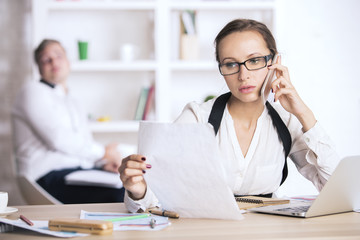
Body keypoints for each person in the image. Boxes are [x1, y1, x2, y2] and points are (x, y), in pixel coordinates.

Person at [119, 19, 340, 213]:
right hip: (205, 229)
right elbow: (153, 200)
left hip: (267, 231)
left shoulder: (288, 120)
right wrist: (138, 190)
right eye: (231, 64)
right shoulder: (197, 118)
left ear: (275, 62)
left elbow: (335, 191)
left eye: (254, 61)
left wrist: (304, 113)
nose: (243, 75)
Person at [12, 39, 125, 204]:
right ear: (39, 67)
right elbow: (58, 139)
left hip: (78, 171)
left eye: (58, 56)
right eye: (46, 59)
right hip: (46, 176)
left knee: (132, 185)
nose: (53, 62)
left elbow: (82, 144)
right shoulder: (32, 92)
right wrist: (104, 152)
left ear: (68, 61)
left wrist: (102, 163)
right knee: (121, 194)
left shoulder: (73, 101)